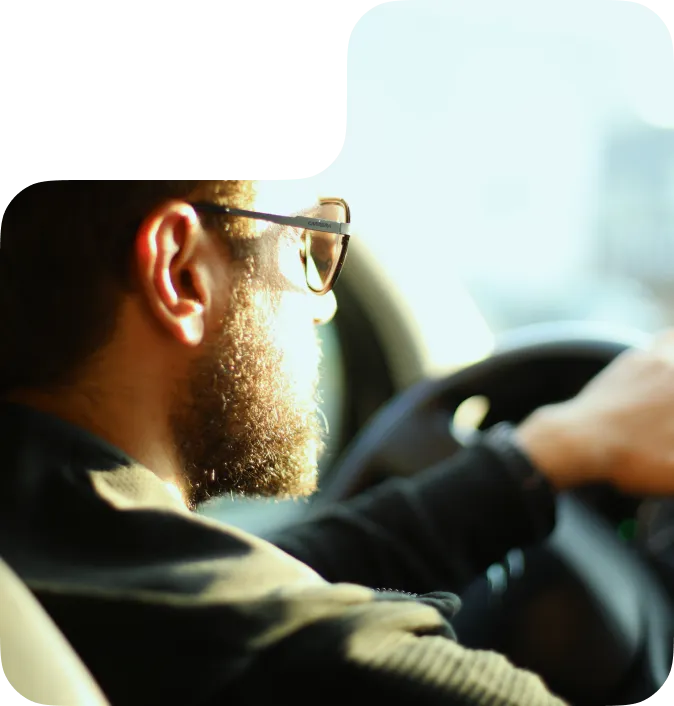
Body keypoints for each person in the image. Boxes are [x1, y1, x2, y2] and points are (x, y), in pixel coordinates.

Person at [1, 176, 674, 706]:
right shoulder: (318, 662)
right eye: (306, 240)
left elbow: (251, 576)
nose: (324, 303)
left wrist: (543, 456)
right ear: (181, 274)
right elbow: (269, 622)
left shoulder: (55, 563)